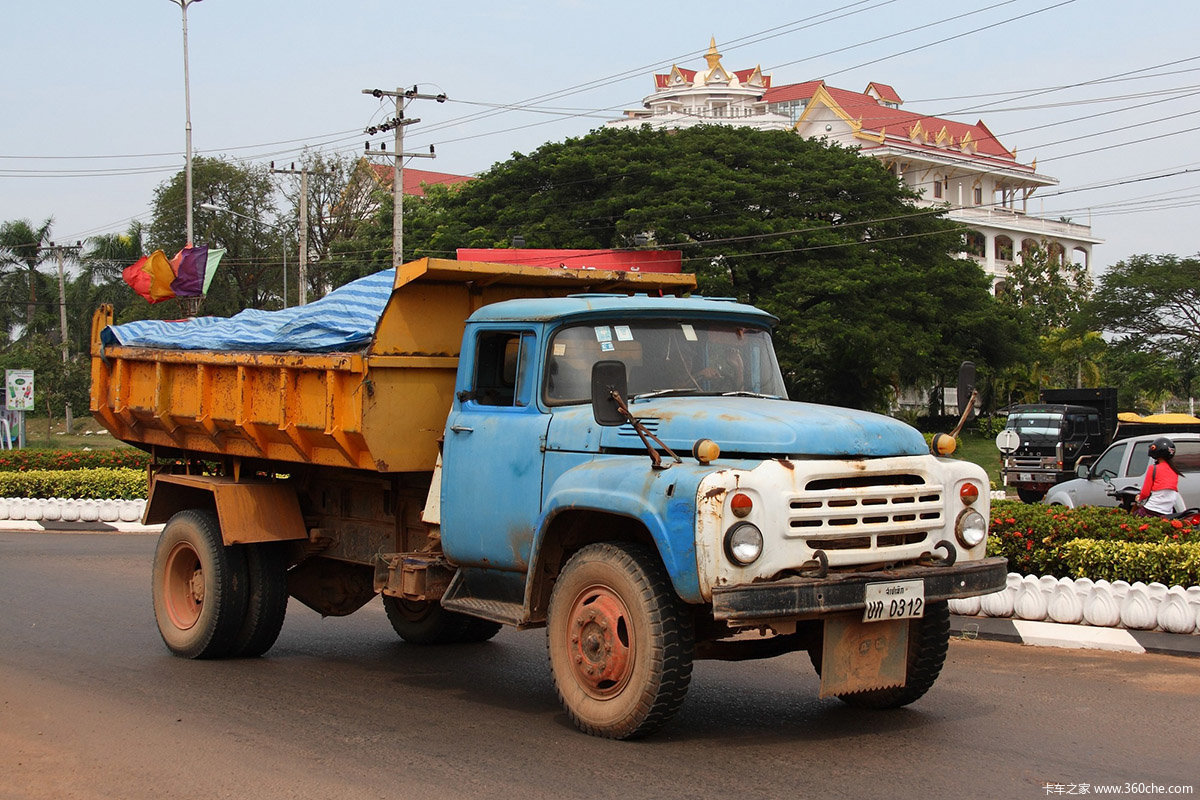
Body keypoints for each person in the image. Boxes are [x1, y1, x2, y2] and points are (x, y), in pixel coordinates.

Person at [1136, 437, 1182, 517]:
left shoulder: (1153, 468)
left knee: (1133, 518)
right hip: (1167, 511)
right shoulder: (1175, 470)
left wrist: (1139, 498)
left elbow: (1145, 492)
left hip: (1152, 509)